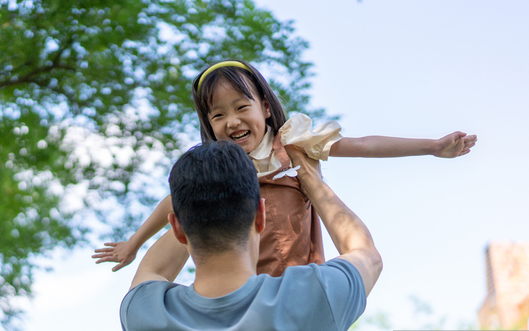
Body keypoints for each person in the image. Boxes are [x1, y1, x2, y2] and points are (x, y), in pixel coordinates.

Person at [93, 60, 476, 276]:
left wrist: (432, 147)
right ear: (208, 124)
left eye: (242, 107)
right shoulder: (220, 166)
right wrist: (134, 242)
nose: (232, 122)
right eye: (218, 115)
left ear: (263, 104)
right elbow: (173, 203)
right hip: (241, 277)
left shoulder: (292, 143)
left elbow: (362, 145)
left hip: (297, 274)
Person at [121, 140, 382, 331]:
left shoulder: (145, 315)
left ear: (178, 229)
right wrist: (309, 177)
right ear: (261, 215)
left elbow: (155, 269)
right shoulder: (314, 297)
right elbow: (366, 254)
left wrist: (198, 200)